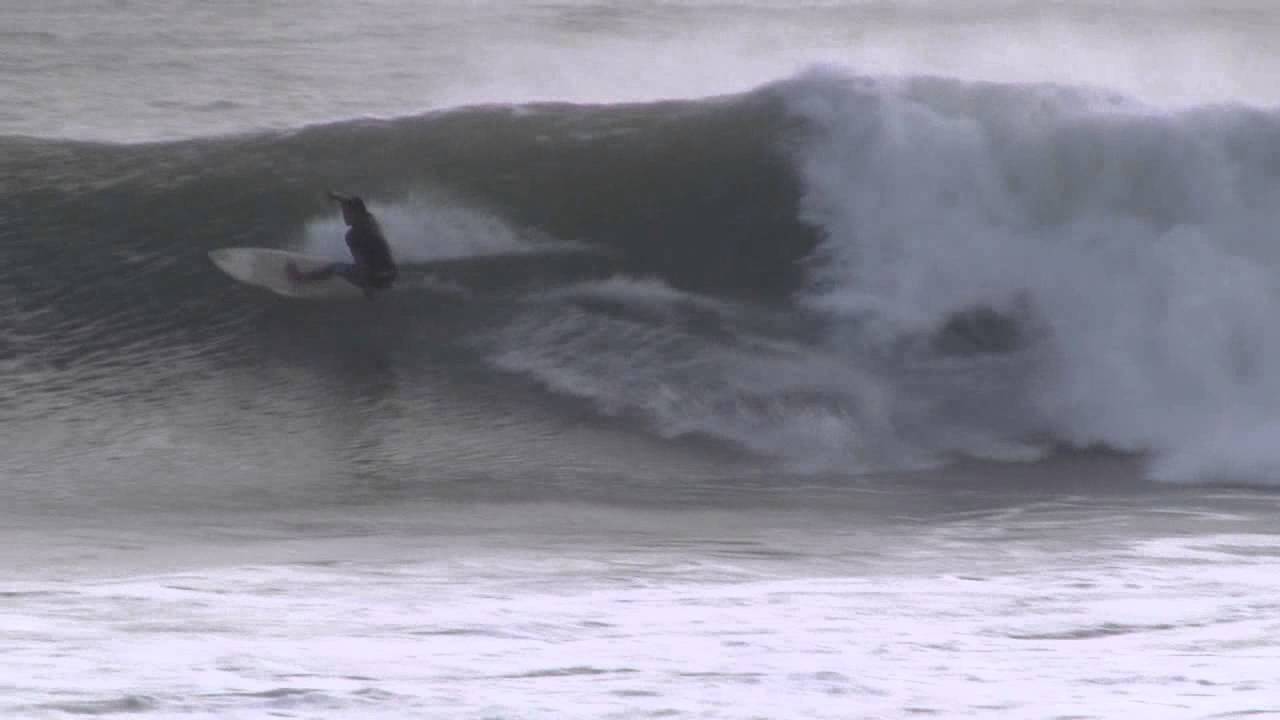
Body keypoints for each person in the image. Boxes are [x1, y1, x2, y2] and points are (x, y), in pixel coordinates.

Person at [287, 191, 398, 298]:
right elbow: (352, 203)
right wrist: (336, 197)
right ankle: (380, 283)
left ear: (356, 213)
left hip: (376, 280)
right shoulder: (370, 219)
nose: (344, 216)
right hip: (391, 274)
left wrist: (367, 288)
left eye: (347, 213)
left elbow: (361, 265)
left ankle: (300, 278)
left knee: (335, 267)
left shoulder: (353, 235)